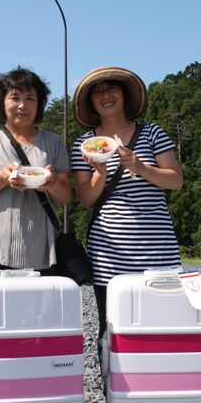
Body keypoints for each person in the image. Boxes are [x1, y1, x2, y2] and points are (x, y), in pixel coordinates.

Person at [70, 66, 184, 348]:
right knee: (112, 329)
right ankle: (114, 379)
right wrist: (100, 171)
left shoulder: (151, 133)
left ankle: (160, 377)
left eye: (112, 88)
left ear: (124, 95)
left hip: (158, 249)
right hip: (108, 252)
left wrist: (140, 166)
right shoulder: (84, 144)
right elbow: (86, 199)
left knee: (162, 327)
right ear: (91, 101)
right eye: (97, 92)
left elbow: (176, 180)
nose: (105, 96)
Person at [0, 67, 72, 277]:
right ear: (2, 102)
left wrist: (52, 183)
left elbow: (64, 197)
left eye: (30, 99)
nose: (22, 105)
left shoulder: (53, 142)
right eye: (15, 98)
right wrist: (2, 177)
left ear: (39, 104)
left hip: (43, 252)